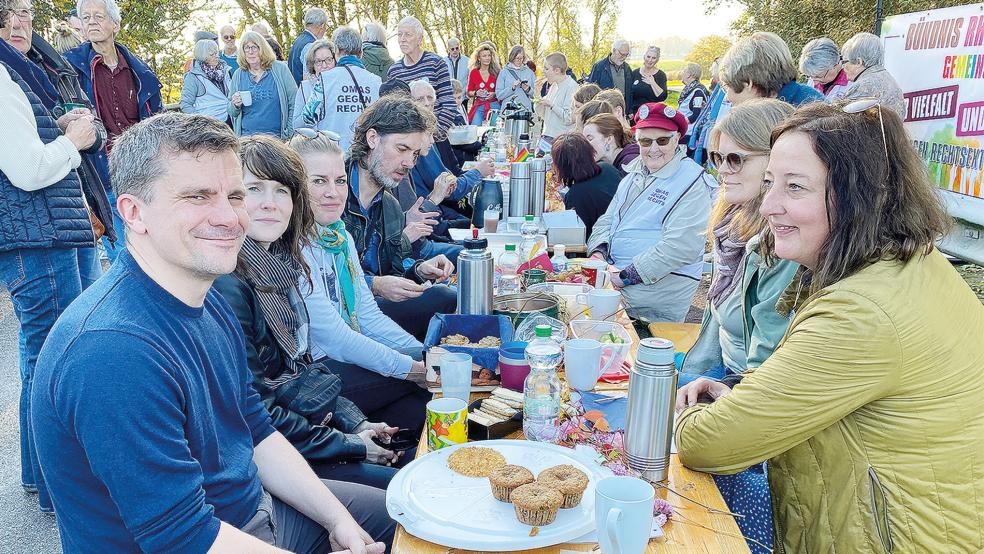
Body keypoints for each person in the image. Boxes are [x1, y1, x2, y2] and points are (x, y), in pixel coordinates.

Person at [32, 112, 394, 552]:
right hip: (200, 541)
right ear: (133, 212)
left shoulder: (209, 302)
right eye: (198, 196)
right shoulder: (112, 350)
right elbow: (183, 537)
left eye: (234, 194)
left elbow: (256, 429)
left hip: (253, 512)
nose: (229, 217)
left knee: (407, 517)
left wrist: (339, 520)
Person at [676, 100, 984, 553]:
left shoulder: (863, 312)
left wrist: (693, 416)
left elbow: (708, 444)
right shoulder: (905, 261)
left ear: (858, 195)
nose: (769, 205)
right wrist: (746, 398)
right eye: (769, 184)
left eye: (795, 188)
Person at [214, 135, 410, 490]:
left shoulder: (282, 261)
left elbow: (300, 372)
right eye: (253, 189)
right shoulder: (230, 283)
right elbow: (258, 413)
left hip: (299, 418)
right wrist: (351, 444)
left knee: (409, 430)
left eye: (281, 191)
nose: (270, 204)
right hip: (259, 461)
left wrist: (356, 424)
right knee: (400, 488)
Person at [673, 99, 798, 554]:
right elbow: (717, 320)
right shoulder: (734, 222)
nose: (722, 170)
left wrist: (711, 393)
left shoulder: (781, 236)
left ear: (777, 162)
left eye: (735, 158)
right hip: (723, 378)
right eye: (716, 157)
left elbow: (768, 367)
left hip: (755, 406)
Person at [0, 32, 99, 514]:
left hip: (47, 234)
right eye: (14, 13)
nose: (23, 24)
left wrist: (55, 129)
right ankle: (60, 486)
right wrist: (71, 140)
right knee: (55, 359)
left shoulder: (18, 72)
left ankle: (43, 477)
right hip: (38, 238)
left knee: (42, 357)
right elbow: (26, 170)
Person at [288, 129, 432, 436]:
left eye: (340, 181)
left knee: (424, 397)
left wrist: (422, 353)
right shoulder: (294, 246)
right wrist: (416, 369)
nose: (334, 192)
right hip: (311, 375)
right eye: (318, 181)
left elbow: (368, 317)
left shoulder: (340, 237)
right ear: (294, 187)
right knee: (425, 384)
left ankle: (388, 451)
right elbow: (334, 339)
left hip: (337, 360)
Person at [3, 0, 115, 284]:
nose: (17, 23)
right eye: (6, 13)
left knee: (84, 315)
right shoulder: (6, 77)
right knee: (52, 325)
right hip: (35, 230)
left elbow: (96, 128)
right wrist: (71, 140)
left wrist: (76, 130)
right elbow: (29, 169)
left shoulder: (57, 68)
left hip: (76, 214)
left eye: (24, 12)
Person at [342, 93, 458, 340]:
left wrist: (419, 270)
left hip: (371, 310)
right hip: (341, 318)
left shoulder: (390, 205)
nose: (409, 163)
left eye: (415, 154)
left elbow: (395, 266)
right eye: (402, 148)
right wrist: (375, 284)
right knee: (445, 298)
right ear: (372, 138)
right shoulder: (333, 191)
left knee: (451, 297)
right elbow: (319, 277)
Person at [587, 102, 716, 322]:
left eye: (662, 140)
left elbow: (679, 247)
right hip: (616, 288)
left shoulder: (692, 182)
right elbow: (607, 221)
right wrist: (598, 254)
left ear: (676, 140)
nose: (653, 148)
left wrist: (624, 277)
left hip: (650, 304)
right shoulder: (633, 174)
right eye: (646, 141)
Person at [66, 0, 163, 261]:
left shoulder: (140, 71)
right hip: (101, 172)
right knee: (122, 250)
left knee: (153, 242)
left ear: (115, 24)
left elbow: (155, 121)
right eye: (85, 18)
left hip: (140, 169)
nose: (92, 22)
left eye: (98, 16)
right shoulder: (69, 70)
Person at [301, 26, 381, 151]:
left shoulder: (324, 79)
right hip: (364, 151)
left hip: (332, 151)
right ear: (361, 52)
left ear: (336, 51)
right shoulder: (376, 81)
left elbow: (308, 117)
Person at [387, 16, 463, 139]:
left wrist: (433, 136)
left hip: (435, 138)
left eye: (407, 35)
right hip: (408, 143)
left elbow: (449, 104)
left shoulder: (436, 63)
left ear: (419, 39)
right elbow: (394, 112)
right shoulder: (394, 71)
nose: (402, 39)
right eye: (399, 35)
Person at [718, 31, 824, 107]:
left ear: (749, 83)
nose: (726, 98)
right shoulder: (808, 100)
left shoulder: (805, 117)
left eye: (726, 87)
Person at [228, 30, 297, 139]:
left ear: (263, 49)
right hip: (247, 139)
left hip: (277, 139)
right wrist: (235, 104)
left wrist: (288, 132)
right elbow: (232, 112)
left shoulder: (280, 69)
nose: (251, 52)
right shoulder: (238, 74)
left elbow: (294, 102)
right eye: (247, 48)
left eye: (255, 47)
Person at [551, 132, 622, 237]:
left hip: (606, 244)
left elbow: (578, 237)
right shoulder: (607, 168)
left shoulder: (576, 195)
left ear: (562, 165)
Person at [841, 31, 905, 118]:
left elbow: (841, 121)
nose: (843, 67)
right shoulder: (888, 79)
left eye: (845, 61)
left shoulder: (862, 87)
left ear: (859, 62)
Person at [688, 58, 730, 164]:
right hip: (708, 134)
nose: (711, 71)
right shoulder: (719, 89)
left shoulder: (725, 90)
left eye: (713, 68)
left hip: (716, 134)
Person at [180, 38, 232, 124]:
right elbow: (185, 104)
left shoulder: (225, 70)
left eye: (217, 53)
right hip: (209, 127)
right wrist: (202, 122)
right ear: (203, 57)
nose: (217, 56)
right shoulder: (193, 77)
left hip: (230, 120)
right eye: (212, 54)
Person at [292, 38, 335, 129]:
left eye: (328, 60)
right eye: (318, 61)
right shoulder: (305, 87)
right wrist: (312, 107)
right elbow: (296, 125)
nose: (324, 66)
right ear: (313, 65)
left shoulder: (341, 85)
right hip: (316, 141)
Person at [539, 51, 578, 140]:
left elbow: (569, 118)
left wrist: (552, 105)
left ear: (557, 70)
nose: (543, 71)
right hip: (546, 135)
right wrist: (537, 96)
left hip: (560, 139)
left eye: (546, 68)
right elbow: (542, 114)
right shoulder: (554, 85)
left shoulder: (572, 87)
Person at [587, 38, 633, 111]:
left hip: (622, 111)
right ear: (614, 50)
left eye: (626, 55)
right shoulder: (599, 67)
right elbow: (591, 91)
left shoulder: (627, 68)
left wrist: (630, 110)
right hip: (604, 110)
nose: (624, 58)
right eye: (622, 54)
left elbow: (630, 92)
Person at [798, 37, 849, 101]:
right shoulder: (815, 73)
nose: (815, 83)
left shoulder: (852, 82)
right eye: (810, 77)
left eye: (818, 76)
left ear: (835, 66)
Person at [287, 7, 327, 84]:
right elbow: (309, 77)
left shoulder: (298, 41)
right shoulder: (311, 45)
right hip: (305, 93)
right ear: (322, 26)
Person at [465, 42, 500, 125]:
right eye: (484, 56)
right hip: (479, 105)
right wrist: (476, 93)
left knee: (494, 130)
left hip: (494, 105)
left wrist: (494, 94)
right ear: (479, 58)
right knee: (475, 128)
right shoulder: (474, 72)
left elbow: (501, 90)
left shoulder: (497, 72)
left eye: (489, 55)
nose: (487, 58)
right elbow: (469, 92)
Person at [677, 62, 709, 147]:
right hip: (685, 132)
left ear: (689, 75)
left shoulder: (698, 92)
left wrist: (678, 121)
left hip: (689, 135)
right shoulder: (689, 89)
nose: (682, 73)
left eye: (684, 71)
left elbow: (695, 115)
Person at [495, 44, 535, 111]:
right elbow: (499, 95)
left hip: (525, 111)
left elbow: (535, 96)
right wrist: (512, 88)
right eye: (517, 58)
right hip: (508, 111)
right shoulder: (504, 72)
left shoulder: (529, 72)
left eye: (521, 58)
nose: (519, 60)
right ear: (512, 57)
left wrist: (528, 89)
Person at [629, 45, 668, 115]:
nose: (650, 60)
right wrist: (630, 111)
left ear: (657, 60)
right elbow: (629, 94)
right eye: (648, 56)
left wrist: (652, 82)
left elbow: (662, 97)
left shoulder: (661, 75)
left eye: (653, 58)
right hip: (635, 114)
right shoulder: (635, 73)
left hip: (652, 114)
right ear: (644, 56)